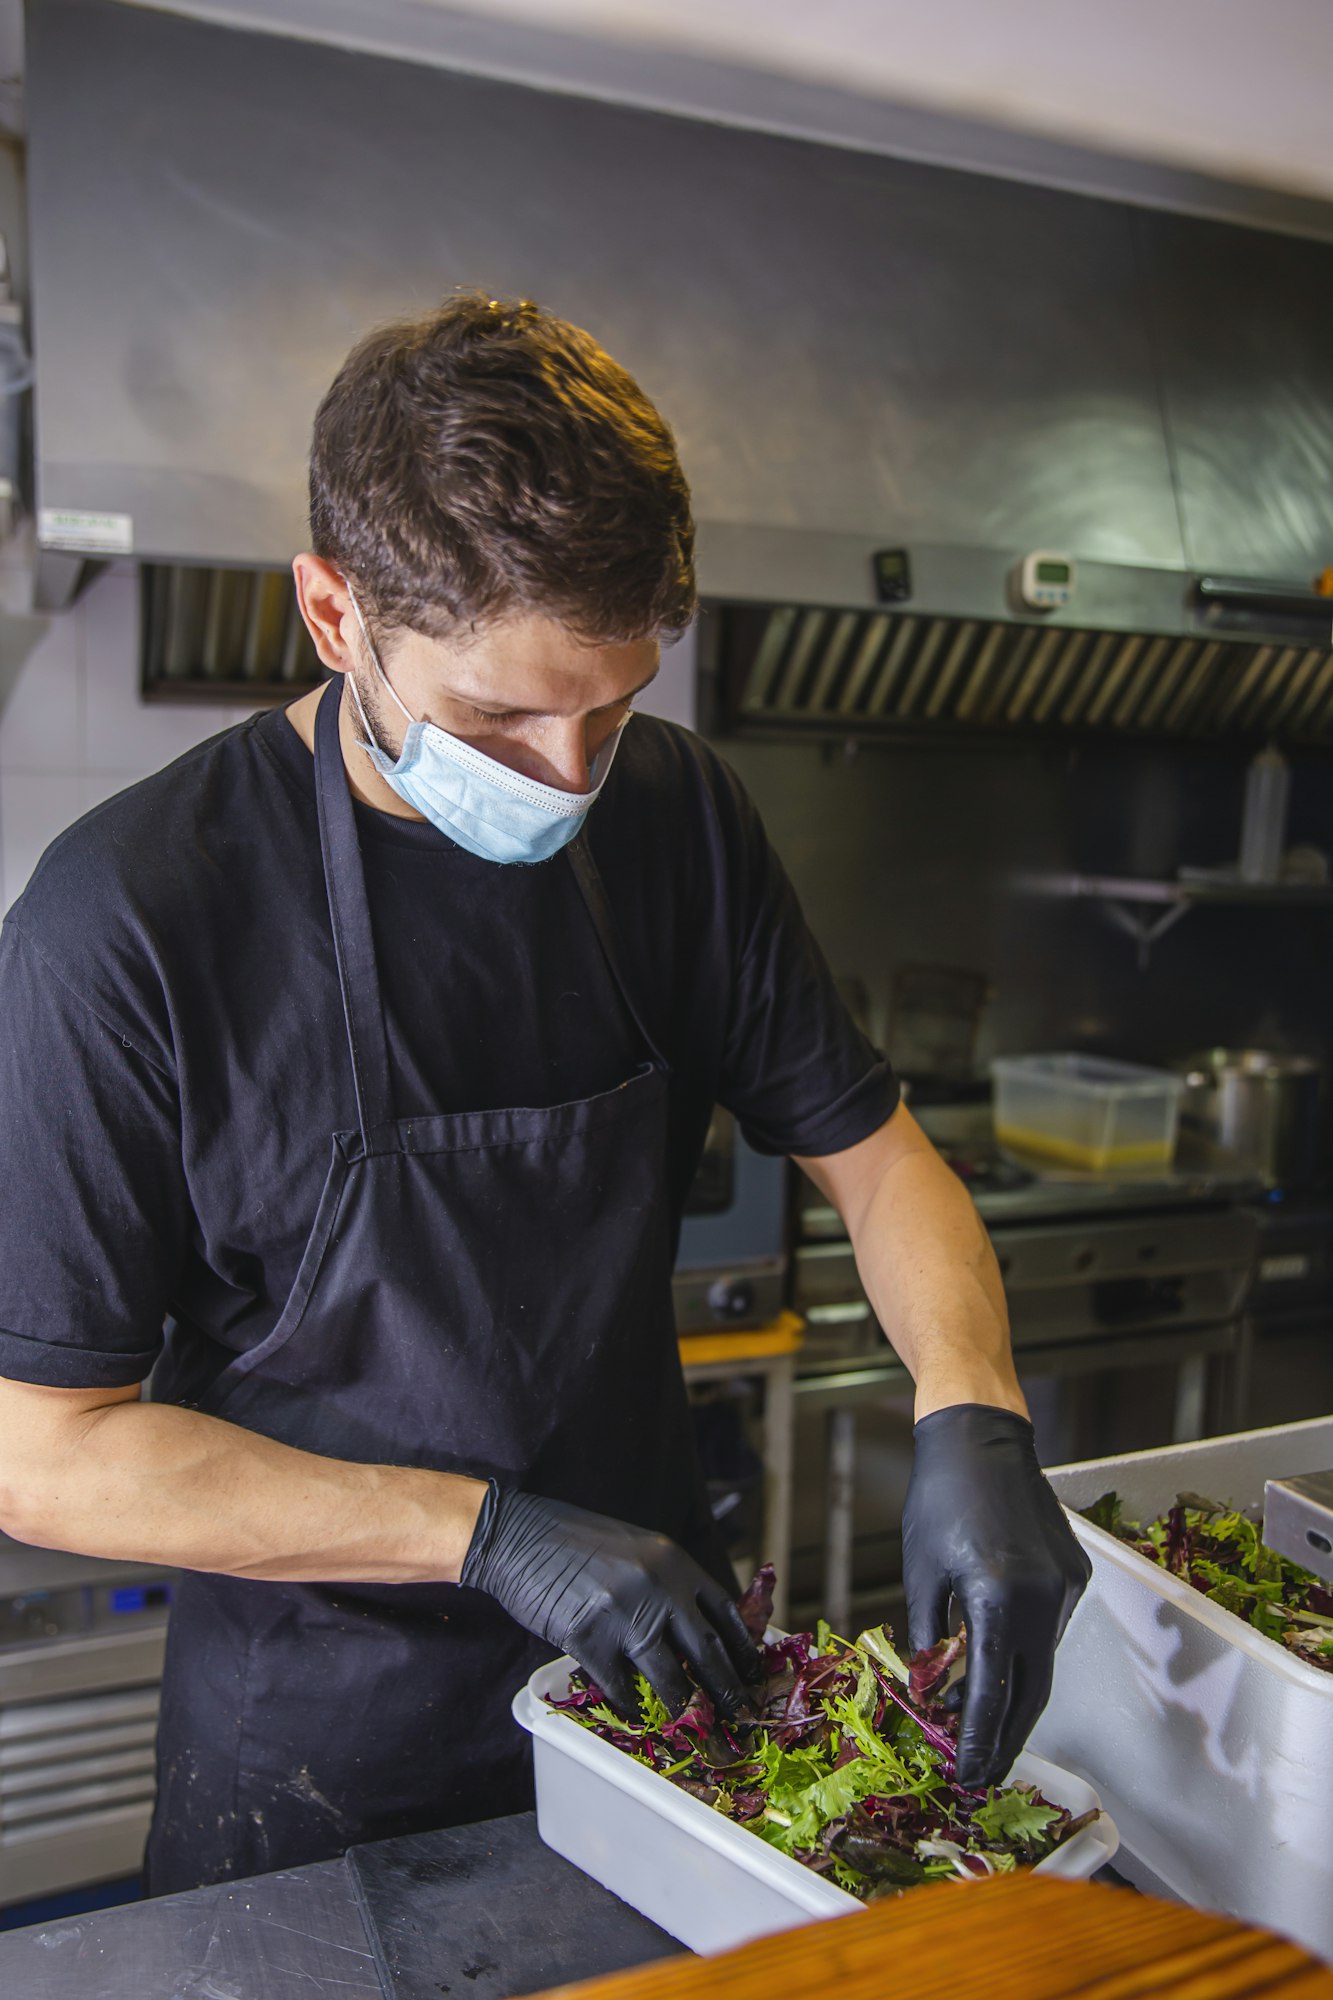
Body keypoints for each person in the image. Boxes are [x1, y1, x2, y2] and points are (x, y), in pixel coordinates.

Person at [0, 294, 1088, 1895]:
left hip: (665, 1688)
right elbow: (49, 1454)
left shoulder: (678, 819)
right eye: (499, 716)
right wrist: (491, 1534)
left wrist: (972, 1410)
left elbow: (874, 1157)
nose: (569, 780)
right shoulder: (126, 921)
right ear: (330, 612)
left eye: (614, 707)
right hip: (320, 1744)